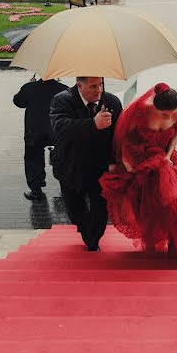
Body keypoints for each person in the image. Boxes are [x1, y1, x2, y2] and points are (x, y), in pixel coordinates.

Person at [100, 82, 177, 264]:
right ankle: (152, 241)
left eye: (171, 112)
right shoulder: (141, 111)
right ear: (155, 107)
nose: (169, 116)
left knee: (176, 203)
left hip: (165, 160)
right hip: (142, 159)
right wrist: (128, 164)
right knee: (146, 205)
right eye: (163, 114)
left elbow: (175, 135)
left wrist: (167, 156)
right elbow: (126, 139)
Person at [50, 77, 122, 251]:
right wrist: (93, 124)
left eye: (101, 85)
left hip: (100, 166)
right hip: (71, 165)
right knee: (75, 210)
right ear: (79, 85)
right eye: (93, 87)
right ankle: (85, 229)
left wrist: (117, 162)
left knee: (101, 210)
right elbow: (60, 128)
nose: (98, 90)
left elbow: (120, 135)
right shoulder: (62, 100)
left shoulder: (111, 101)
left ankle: (93, 240)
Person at [13, 75, 68, 201]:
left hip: (34, 131)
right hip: (56, 130)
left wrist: (28, 85)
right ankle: (65, 187)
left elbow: (18, 102)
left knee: (33, 159)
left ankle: (36, 191)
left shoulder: (30, 88)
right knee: (62, 158)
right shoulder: (63, 89)